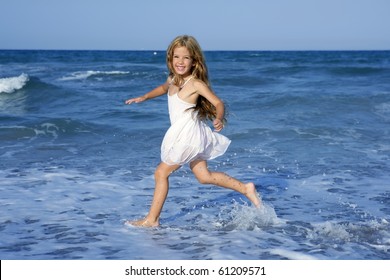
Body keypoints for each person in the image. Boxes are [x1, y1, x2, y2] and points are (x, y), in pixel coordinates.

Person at [125, 35, 261, 227]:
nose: (180, 62)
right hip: (188, 134)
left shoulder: (195, 84)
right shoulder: (172, 79)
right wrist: (144, 97)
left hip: (188, 135)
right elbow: (163, 88)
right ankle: (246, 188)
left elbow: (217, 102)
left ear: (194, 60)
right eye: (176, 57)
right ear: (170, 59)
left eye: (186, 57)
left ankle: (152, 220)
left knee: (161, 173)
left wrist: (218, 118)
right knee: (204, 177)